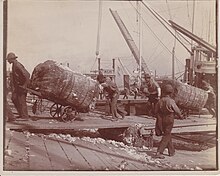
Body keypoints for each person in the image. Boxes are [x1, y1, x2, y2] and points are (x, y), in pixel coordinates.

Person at [154, 84, 183, 159]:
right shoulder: (171, 101)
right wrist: (181, 116)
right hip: (169, 118)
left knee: (167, 134)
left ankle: (171, 151)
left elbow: (155, 111)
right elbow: (176, 110)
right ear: (171, 93)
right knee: (166, 135)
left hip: (161, 119)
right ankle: (159, 152)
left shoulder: (160, 101)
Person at [6, 52, 30, 121]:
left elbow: (27, 75)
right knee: (14, 99)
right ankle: (21, 114)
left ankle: (25, 117)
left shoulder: (17, 65)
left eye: (8, 60)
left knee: (22, 101)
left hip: (22, 86)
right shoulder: (14, 65)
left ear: (11, 59)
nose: (8, 61)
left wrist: (24, 85)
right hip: (18, 87)